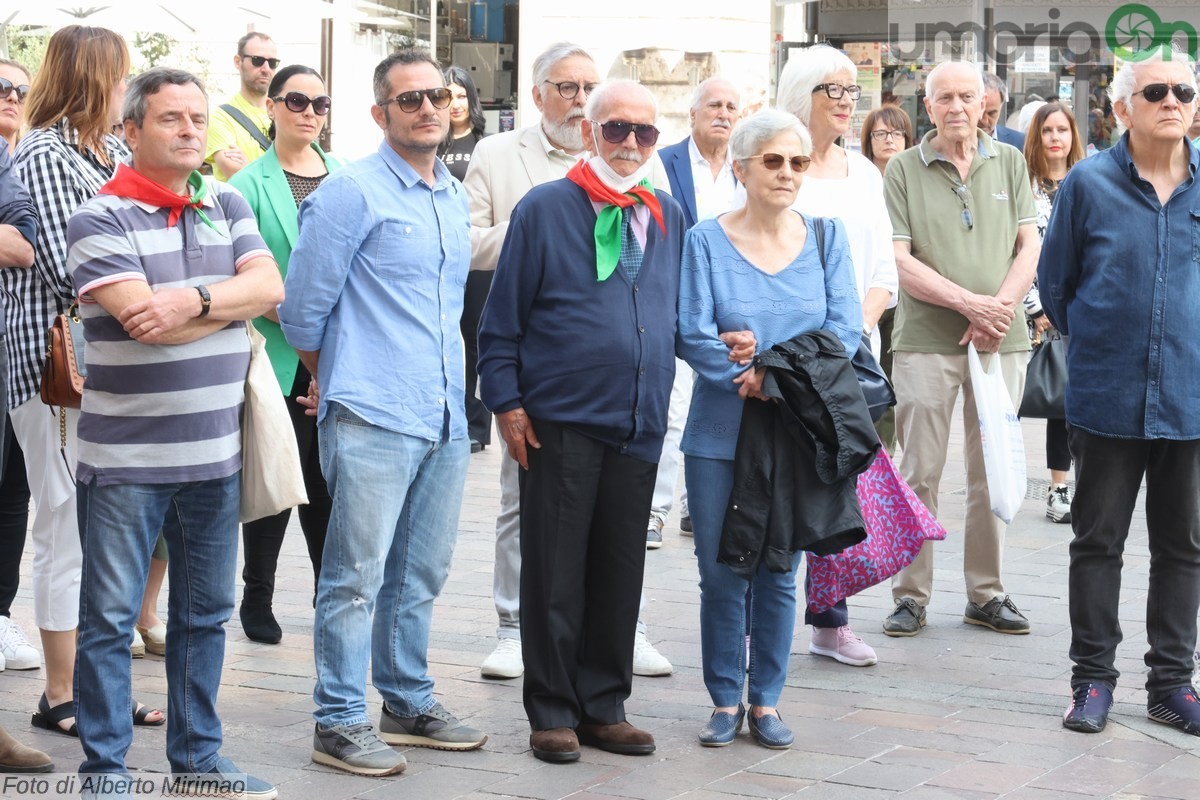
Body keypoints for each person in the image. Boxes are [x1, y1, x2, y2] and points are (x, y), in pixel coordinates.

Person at [67, 66, 283, 797]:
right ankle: (105, 769)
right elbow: (143, 324)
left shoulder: (225, 198)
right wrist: (228, 302)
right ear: (130, 131)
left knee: (205, 616)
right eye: (171, 119)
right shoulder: (100, 216)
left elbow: (270, 289)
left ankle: (197, 762)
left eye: (198, 118)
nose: (192, 130)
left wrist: (193, 296)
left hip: (215, 456)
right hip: (125, 460)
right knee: (108, 617)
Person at [279, 49, 486, 778]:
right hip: (370, 412)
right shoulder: (350, 194)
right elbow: (301, 312)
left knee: (420, 572)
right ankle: (338, 720)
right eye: (409, 100)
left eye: (438, 96)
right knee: (354, 575)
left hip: (444, 415)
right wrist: (335, 378)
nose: (428, 108)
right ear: (380, 114)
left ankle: (407, 699)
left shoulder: (451, 195)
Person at [478, 79, 689, 765]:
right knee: (554, 571)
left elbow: (678, 312)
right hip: (560, 420)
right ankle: (552, 709)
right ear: (588, 132)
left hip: (638, 420)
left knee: (619, 569)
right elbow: (500, 317)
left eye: (645, 133)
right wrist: (506, 401)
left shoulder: (667, 213)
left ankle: (604, 705)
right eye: (617, 129)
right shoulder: (545, 208)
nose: (630, 144)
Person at [678, 109, 862, 748]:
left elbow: (845, 332)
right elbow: (692, 331)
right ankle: (725, 698)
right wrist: (744, 374)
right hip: (720, 436)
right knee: (722, 572)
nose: (787, 173)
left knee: (780, 571)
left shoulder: (826, 238)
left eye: (798, 162)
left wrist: (769, 371)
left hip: (795, 433)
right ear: (742, 168)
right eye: (773, 161)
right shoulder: (704, 240)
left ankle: (767, 702)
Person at [9, 25, 163, 739]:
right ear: (95, 77)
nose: (130, 90)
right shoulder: (43, 151)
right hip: (57, 369)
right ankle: (61, 691)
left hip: (119, 363)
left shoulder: (118, 151)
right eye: (123, 74)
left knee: (109, 531)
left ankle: (97, 684)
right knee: (64, 523)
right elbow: (74, 265)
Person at [1040, 51, 1200, 736]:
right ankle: (1091, 681)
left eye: (1184, 91)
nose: (1172, 101)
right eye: (1156, 90)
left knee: (1184, 547)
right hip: (1107, 396)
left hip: (1192, 399)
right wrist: (1107, 342)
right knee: (1097, 542)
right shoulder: (1087, 184)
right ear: (1124, 106)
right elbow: (1057, 285)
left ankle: (1172, 685)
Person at [881, 60, 1040, 637]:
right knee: (919, 468)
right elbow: (898, 260)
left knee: (990, 468)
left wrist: (996, 310)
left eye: (966, 97)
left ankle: (987, 593)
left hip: (1001, 340)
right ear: (928, 106)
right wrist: (972, 307)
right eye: (944, 97)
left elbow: (1030, 245)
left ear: (984, 104)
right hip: (926, 339)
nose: (956, 107)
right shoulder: (901, 168)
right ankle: (910, 594)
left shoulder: (1012, 161)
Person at [775, 44, 898, 668]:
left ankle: (831, 622)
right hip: (788, 358)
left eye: (855, 91)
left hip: (850, 356)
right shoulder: (780, 162)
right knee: (777, 483)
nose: (849, 102)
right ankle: (759, 620)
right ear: (804, 93)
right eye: (836, 90)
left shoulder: (866, 174)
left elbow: (882, 268)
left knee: (837, 487)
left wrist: (853, 332)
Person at [230, 64, 339, 644]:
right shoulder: (247, 183)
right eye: (297, 101)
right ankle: (258, 594)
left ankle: (330, 597)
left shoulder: (347, 177)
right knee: (275, 478)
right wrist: (291, 315)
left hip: (338, 352)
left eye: (321, 103)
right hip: (273, 352)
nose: (310, 112)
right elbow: (235, 270)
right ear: (271, 107)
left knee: (327, 481)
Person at [649, 77, 742, 547]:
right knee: (673, 405)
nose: (723, 113)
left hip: (730, 305)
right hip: (676, 300)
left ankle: (697, 504)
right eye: (713, 105)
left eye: (730, 106)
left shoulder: (744, 170)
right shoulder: (663, 162)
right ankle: (656, 508)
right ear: (692, 113)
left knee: (717, 401)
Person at [1020, 101, 1084, 524]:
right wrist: (1036, 307)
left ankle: (1088, 484)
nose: (1056, 138)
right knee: (1057, 401)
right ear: (1037, 137)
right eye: (1048, 131)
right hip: (1042, 314)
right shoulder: (1023, 184)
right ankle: (1058, 488)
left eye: (1063, 130)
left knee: (1086, 402)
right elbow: (1015, 248)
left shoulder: (1089, 180)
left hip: (1086, 309)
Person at [0, 58, 41, 675]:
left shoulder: (13, 161)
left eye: (19, 89)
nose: (11, 96)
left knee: (11, 494)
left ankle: (1, 618)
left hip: (13, 352)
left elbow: (24, 246)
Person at [440, 65, 492, 453]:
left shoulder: (485, 146)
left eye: (461, 95)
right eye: (447, 95)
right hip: (434, 252)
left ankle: (477, 423)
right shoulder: (430, 142)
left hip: (474, 253)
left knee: (475, 337)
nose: (455, 103)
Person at [859, 103, 915, 452]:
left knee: (892, 379)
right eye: (880, 133)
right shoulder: (858, 179)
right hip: (865, 292)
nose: (889, 140)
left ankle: (886, 455)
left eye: (896, 133)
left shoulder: (914, 180)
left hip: (903, 293)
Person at [205, 32, 278, 181]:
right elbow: (239, 177)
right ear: (238, 62)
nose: (266, 69)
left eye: (272, 63)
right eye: (257, 60)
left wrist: (249, 166)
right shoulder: (220, 117)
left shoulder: (283, 112)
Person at [981, 72, 1026, 150]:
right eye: (980, 112)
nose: (984, 121)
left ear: (1001, 107)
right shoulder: (953, 142)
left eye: (991, 113)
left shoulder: (1020, 142)